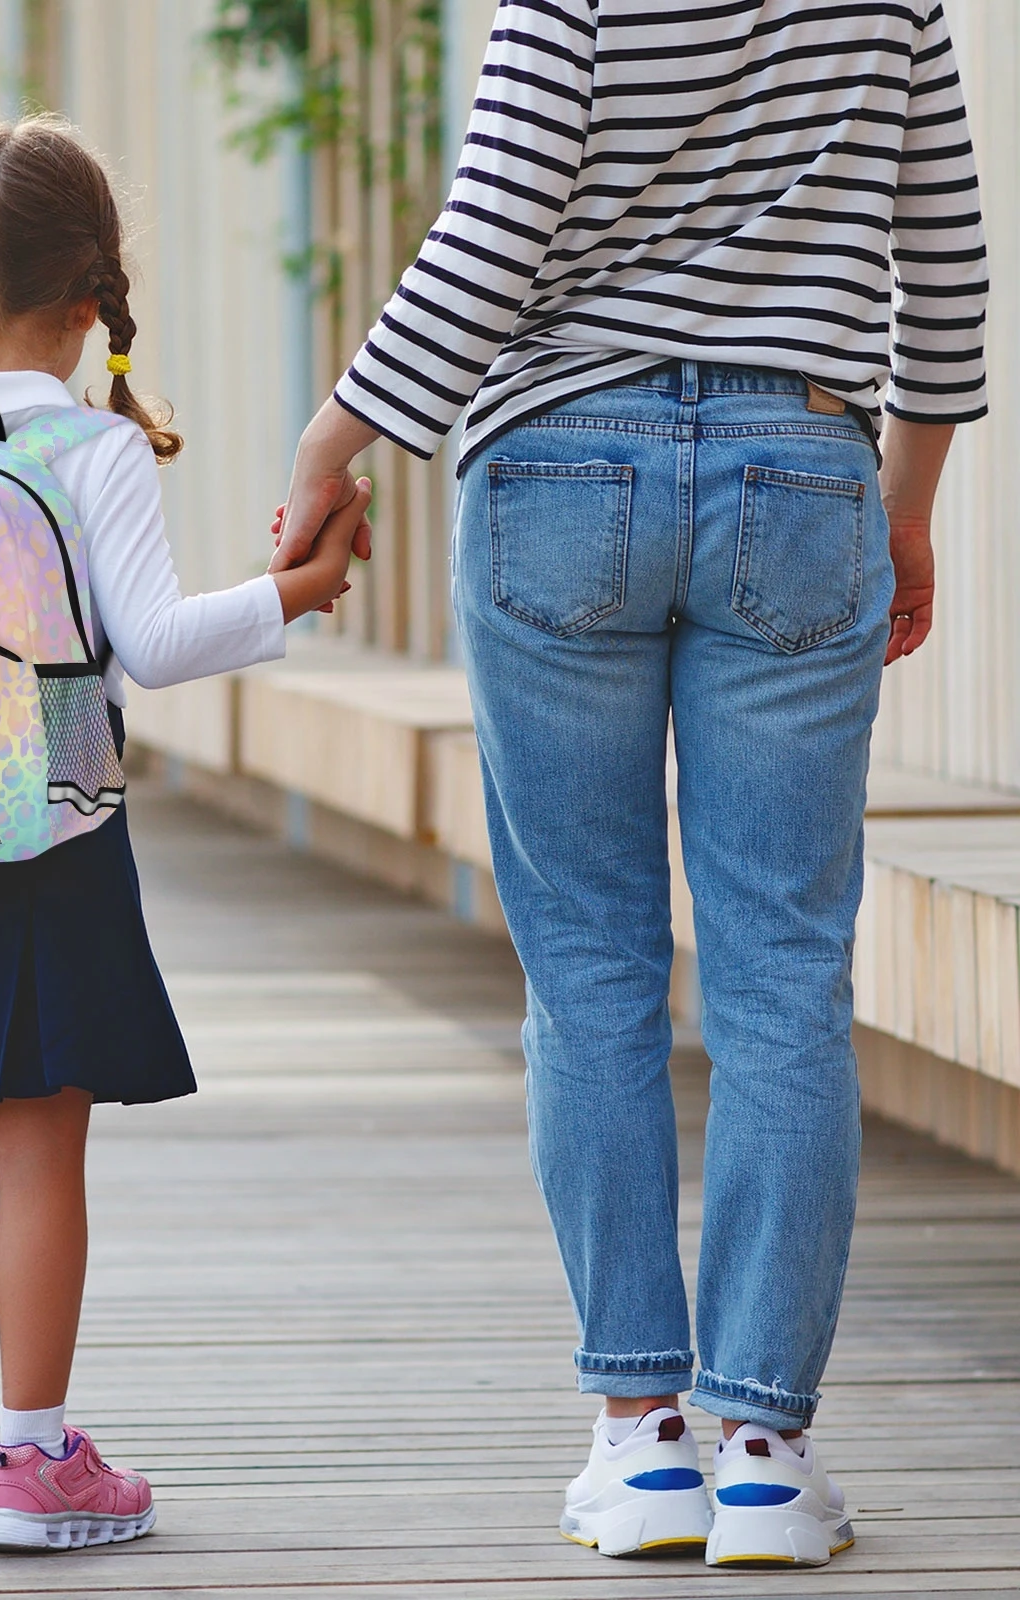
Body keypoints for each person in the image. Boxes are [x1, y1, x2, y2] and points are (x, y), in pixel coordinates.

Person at [274, 0, 985, 1570]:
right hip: (804, 469)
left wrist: (334, 443)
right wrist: (907, 504)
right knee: (783, 974)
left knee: (588, 963)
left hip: (557, 464)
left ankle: (641, 1443)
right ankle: (767, 1458)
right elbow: (944, 279)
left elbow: (494, 227)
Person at [0, 116, 369, 1555]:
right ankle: (40, 1459)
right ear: (88, 303)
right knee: (41, 1155)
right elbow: (161, 647)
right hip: (53, 835)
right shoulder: (97, 447)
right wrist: (294, 592)